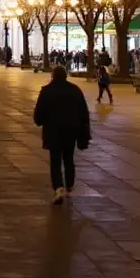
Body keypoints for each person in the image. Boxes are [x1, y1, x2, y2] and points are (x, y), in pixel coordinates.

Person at [33, 65, 92, 205]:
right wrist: (84, 130)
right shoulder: (75, 90)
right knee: (68, 157)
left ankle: (58, 187)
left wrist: (40, 121)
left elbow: (39, 114)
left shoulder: (47, 91)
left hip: (53, 131)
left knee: (55, 160)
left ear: (53, 76)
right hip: (71, 131)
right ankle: (69, 185)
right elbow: (84, 112)